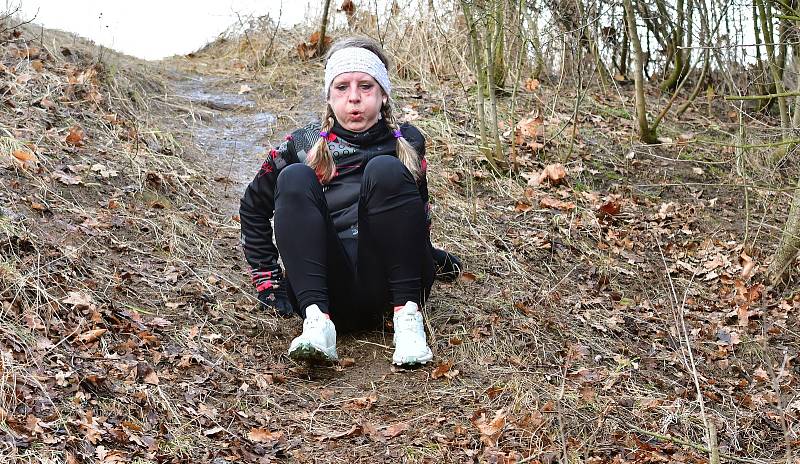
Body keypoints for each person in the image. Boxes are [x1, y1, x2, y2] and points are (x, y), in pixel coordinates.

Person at [239, 36, 461, 366]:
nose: (354, 98)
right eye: (342, 87)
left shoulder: (408, 141)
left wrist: (433, 259)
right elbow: (253, 207)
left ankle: (409, 323)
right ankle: (317, 326)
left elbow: (417, 217)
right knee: (294, 177)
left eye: (366, 86)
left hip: (392, 289)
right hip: (330, 292)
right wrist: (268, 280)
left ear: (384, 93)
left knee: (384, 169)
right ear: (329, 96)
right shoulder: (301, 144)